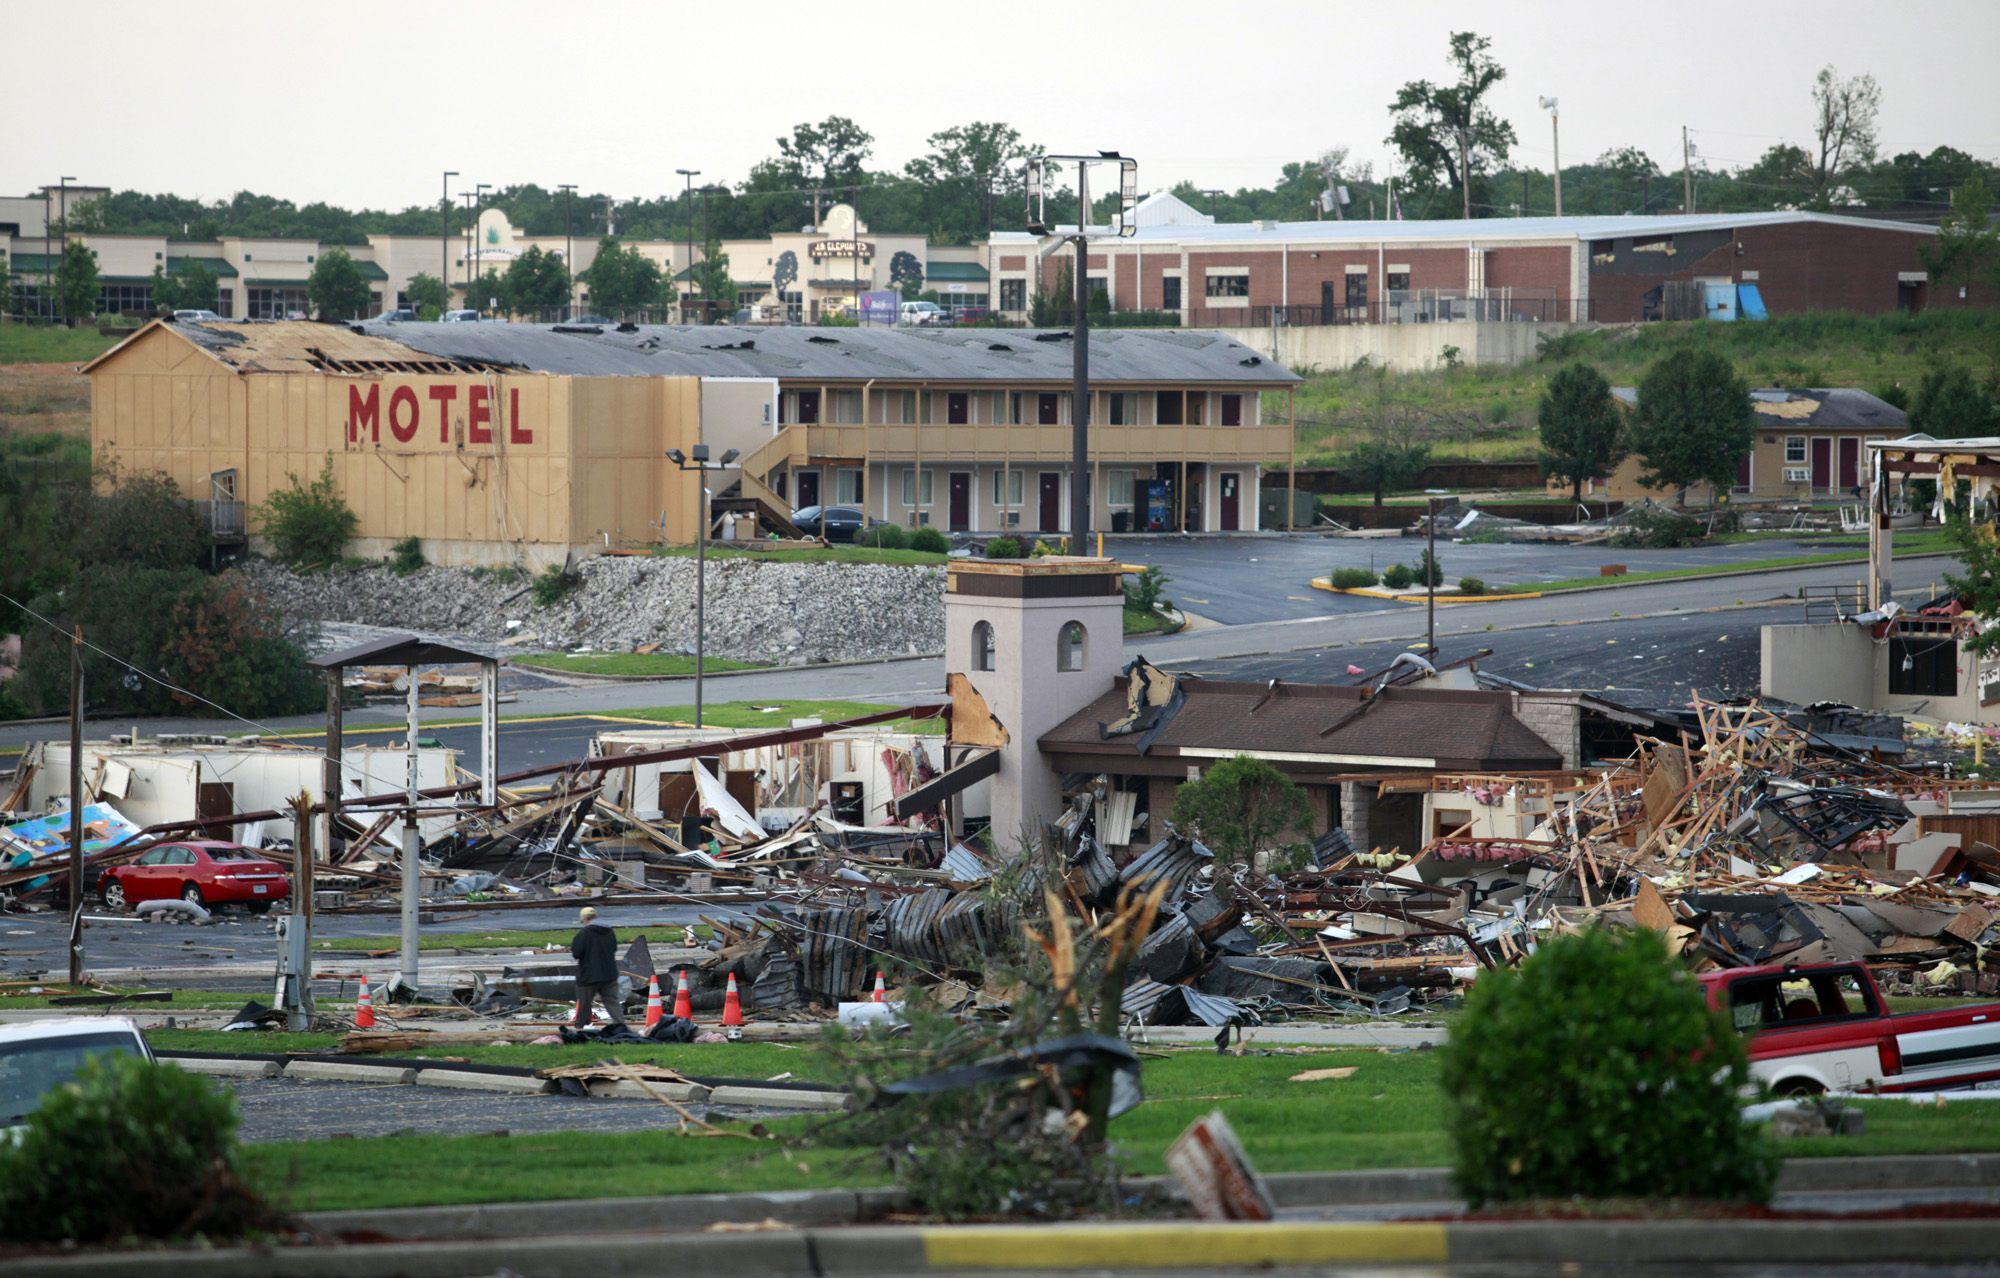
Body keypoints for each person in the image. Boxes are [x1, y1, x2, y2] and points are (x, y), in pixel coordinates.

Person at [569, 906, 624, 1028]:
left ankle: (581, 1028)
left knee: (584, 1004)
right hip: (609, 975)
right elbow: (614, 949)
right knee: (613, 1003)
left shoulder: (584, 934)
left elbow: (576, 954)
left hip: (589, 976)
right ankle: (621, 1027)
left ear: (584, 919)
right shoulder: (609, 932)